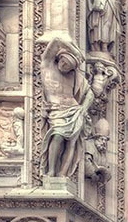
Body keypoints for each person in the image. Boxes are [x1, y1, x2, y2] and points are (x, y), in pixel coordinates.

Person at [40, 35, 94, 178]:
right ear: (60, 58)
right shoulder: (47, 66)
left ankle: (63, 174)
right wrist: (75, 52)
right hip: (56, 110)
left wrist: (84, 108)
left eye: (69, 66)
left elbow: (90, 93)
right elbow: (56, 40)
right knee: (57, 136)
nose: (65, 66)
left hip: (74, 110)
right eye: (64, 62)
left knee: (72, 143)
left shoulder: (74, 77)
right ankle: (51, 170)